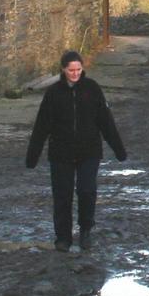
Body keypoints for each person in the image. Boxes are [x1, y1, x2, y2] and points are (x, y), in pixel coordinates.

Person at [24, 50, 126, 253]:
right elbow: (42, 126)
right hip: (61, 153)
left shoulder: (92, 89)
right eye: (71, 70)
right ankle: (63, 237)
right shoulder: (53, 93)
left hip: (89, 151)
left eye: (78, 69)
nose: (75, 73)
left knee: (87, 190)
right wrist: (32, 156)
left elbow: (106, 122)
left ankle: (86, 230)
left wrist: (118, 149)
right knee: (62, 195)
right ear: (63, 70)